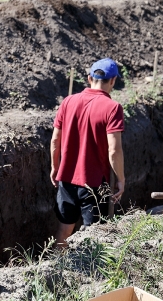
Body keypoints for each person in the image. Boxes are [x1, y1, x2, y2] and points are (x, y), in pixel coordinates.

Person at [50, 58, 125, 248]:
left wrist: (55, 166)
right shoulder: (113, 108)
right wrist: (121, 179)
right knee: (94, 234)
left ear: (89, 78)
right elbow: (114, 150)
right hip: (94, 182)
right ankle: (90, 274)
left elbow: (55, 140)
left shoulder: (68, 102)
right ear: (113, 81)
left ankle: (58, 269)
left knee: (64, 229)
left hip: (66, 178)